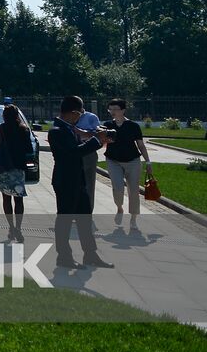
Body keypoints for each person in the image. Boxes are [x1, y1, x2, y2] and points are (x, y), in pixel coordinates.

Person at [48, 95, 114, 269]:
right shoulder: (56, 130)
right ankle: (64, 257)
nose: (80, 117)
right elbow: (73, 153)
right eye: (80, 114)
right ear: (74, 112)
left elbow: (81, 150)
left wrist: (100, 141)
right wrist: (96, 139)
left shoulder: (70, 128)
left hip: (77, 179)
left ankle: (90, 254)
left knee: (85, 218)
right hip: (65, 180)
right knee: (65, 219)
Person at [103, 98, 151, 230]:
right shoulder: (107, 125)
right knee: (117, 187)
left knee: (134, 191)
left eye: (115, 109)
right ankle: (119, 208)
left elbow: (140, 145)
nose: (112, 112)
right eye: (110, 109)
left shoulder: (133, 126)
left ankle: (133, 219)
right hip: (113, 160)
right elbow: (101, 141)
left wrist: (148, 162)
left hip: (132, 161)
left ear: (123, 110)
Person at [0, 104, 33, 242]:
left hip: (3, 167)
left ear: (4, 116)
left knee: (6, 198)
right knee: (18, 199)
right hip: (18, 168)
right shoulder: (23, 130)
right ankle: (18, 228)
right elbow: (29, 149)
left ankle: (11, 227)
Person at [74, 105, 102, 207]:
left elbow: (99, 134)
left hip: (88, 153)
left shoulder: (91, 117)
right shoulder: (67, 117)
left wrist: (83, 133)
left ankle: (88, 210)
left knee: (89, 183)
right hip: (73, 152)